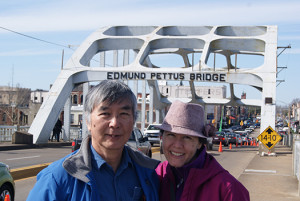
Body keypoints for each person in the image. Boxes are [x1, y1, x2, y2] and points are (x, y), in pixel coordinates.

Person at [27, 80, 160, 201]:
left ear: (133, 122)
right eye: (105, 114)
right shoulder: (57, 178)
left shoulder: (151, 173)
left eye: (124, 114)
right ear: (88, 121)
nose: (114, 123)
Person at [155, 100, 250, 201]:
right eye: (171, 135)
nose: (177, 145)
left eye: (187, 137)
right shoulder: (154, 176)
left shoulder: (227, 189)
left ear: (200, 143)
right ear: (162, 138)